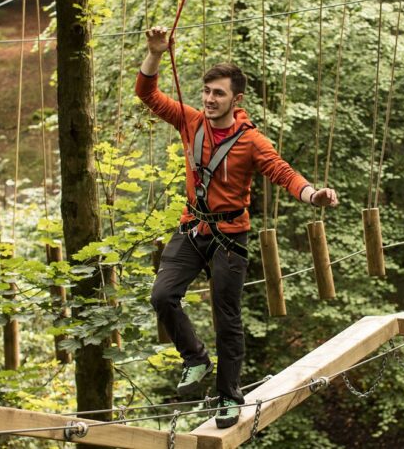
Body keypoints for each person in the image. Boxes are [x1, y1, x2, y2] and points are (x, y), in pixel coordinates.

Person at [137, 26, 339, 429]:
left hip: (230, 237)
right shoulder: (191, 122)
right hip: (192, 229)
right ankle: (195, 357)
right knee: (162, 296)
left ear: (236, 99)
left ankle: (229, 398)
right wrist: (156, 54)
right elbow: (147, 95)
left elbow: (282, 174)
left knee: (226, 316)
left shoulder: (252, 142)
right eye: (207, 92)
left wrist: (312, 194)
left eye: (219, 94)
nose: (209, 100)